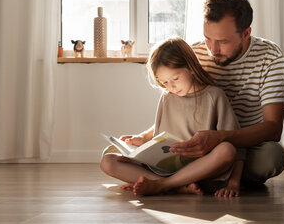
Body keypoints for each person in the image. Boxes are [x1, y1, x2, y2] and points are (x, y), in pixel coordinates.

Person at [100, 37, 245, 197]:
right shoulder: (167, 97)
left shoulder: (214, 96)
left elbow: (237, 146)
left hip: (201, 170)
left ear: (190, 67)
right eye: (164, 82)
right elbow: (162, 130)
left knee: (227, 150)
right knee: (108, 161)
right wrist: (142, 138)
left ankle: (162, 185)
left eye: (175, 79)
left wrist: (233, 183)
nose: (171, 86)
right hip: (164, 168)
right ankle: (173, 185)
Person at [169, 0, 284, 185]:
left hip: (246, 146)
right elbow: (177, 106)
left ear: (246, 33)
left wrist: (220, 137)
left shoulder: (270, 57)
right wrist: (145, 137)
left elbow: (273, 129)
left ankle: (195, 178)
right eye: (208, 38)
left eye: (223, 42)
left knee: (272, 157)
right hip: (199, 146)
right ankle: (215, 178)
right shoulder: (195, 54)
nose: (213, 50)